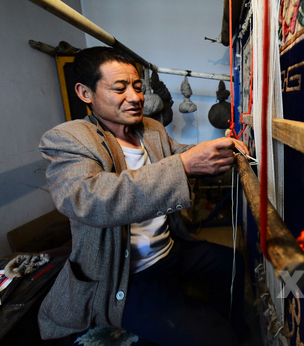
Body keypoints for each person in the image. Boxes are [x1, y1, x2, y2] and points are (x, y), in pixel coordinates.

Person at [37, 46, 249, 345]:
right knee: (215, 338)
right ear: (86, 93)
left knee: (232, 263)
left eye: (137, 87)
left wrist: (217, 152)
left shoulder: (149, 128)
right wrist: (184, 165)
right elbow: (87, 198)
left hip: (169, 250)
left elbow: (179, 156)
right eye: (119, 88)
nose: (135, 97)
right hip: (125, 275)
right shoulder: (69, 139)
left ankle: (228, 326)